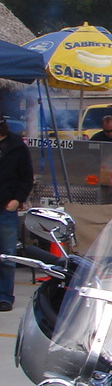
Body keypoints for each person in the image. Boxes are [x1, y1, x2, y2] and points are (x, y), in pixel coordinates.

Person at [0, 121, 33, 313]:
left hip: (6, 206)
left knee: (6, 254)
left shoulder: (17, 146)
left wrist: (17, 200)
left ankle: (5, 296)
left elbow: (26, 177)